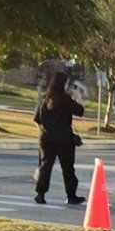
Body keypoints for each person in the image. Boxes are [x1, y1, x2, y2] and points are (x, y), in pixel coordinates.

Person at [32, 65, 85, 207]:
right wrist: (78, 97)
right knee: (67, 168)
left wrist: (44, 131)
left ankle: (40, 194)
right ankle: (71, 195)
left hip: (46, 138)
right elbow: (80, 111)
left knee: (46, 166)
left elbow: (37, 119)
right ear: (62, 84)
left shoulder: (44, 99)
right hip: (64, 139)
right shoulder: (65, 99)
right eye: (67, 83)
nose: (68, 86)